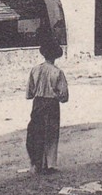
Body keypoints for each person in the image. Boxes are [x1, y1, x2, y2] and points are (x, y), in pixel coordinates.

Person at [25, 40, 69, 174]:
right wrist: (57, 96)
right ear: (56, 56)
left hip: (37, 103)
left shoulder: (35, 70)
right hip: (51, 104)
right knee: (51, 133)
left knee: (36, 132)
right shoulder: (58, 72)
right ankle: (49, 165)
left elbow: (29, 93)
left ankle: (37, 163)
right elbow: (64, 95)